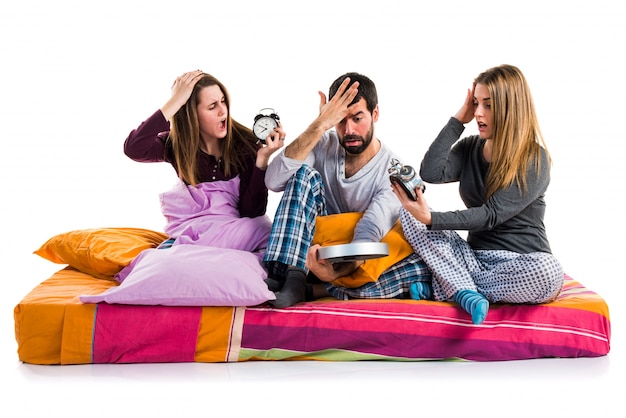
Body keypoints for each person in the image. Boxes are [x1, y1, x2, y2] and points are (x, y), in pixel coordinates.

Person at [393, 64, 564, 325]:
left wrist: (432, 219)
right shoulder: (471, 147)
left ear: (511, 109)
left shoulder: (535, 158)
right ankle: (460, 288)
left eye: (488, 105)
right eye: (476, 104)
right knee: (407, 214)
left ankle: (452, 288)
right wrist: (458, 121)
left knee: (549, 274)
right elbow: (431, 172)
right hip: (472, 258)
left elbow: (491, 214)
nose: (479, 114)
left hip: (522, 262)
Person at [263, 72, 431, 308]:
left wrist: (336, 272)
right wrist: (319, 125)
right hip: (304, 251)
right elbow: (274, 181)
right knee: (302, 174)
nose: (349, 129)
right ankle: (291, 278)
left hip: (348, 258)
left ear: (375, 114)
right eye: (340, 119)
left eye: (358, 118)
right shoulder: (322, 142)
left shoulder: (392, 170)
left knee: (415, 266)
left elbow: (370, 229)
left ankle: (318, 288)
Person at [124, 70, 284, 254]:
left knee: (263, 233)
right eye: (212, 106)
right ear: (192, 115)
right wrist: (174, 102)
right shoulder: (176, 145)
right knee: (157, 265)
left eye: (223, 101)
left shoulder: (246, 144)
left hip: (234, 234)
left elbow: (251, 212)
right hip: (192, 233)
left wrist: (262, 160)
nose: (222, 110)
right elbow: (134, 148)